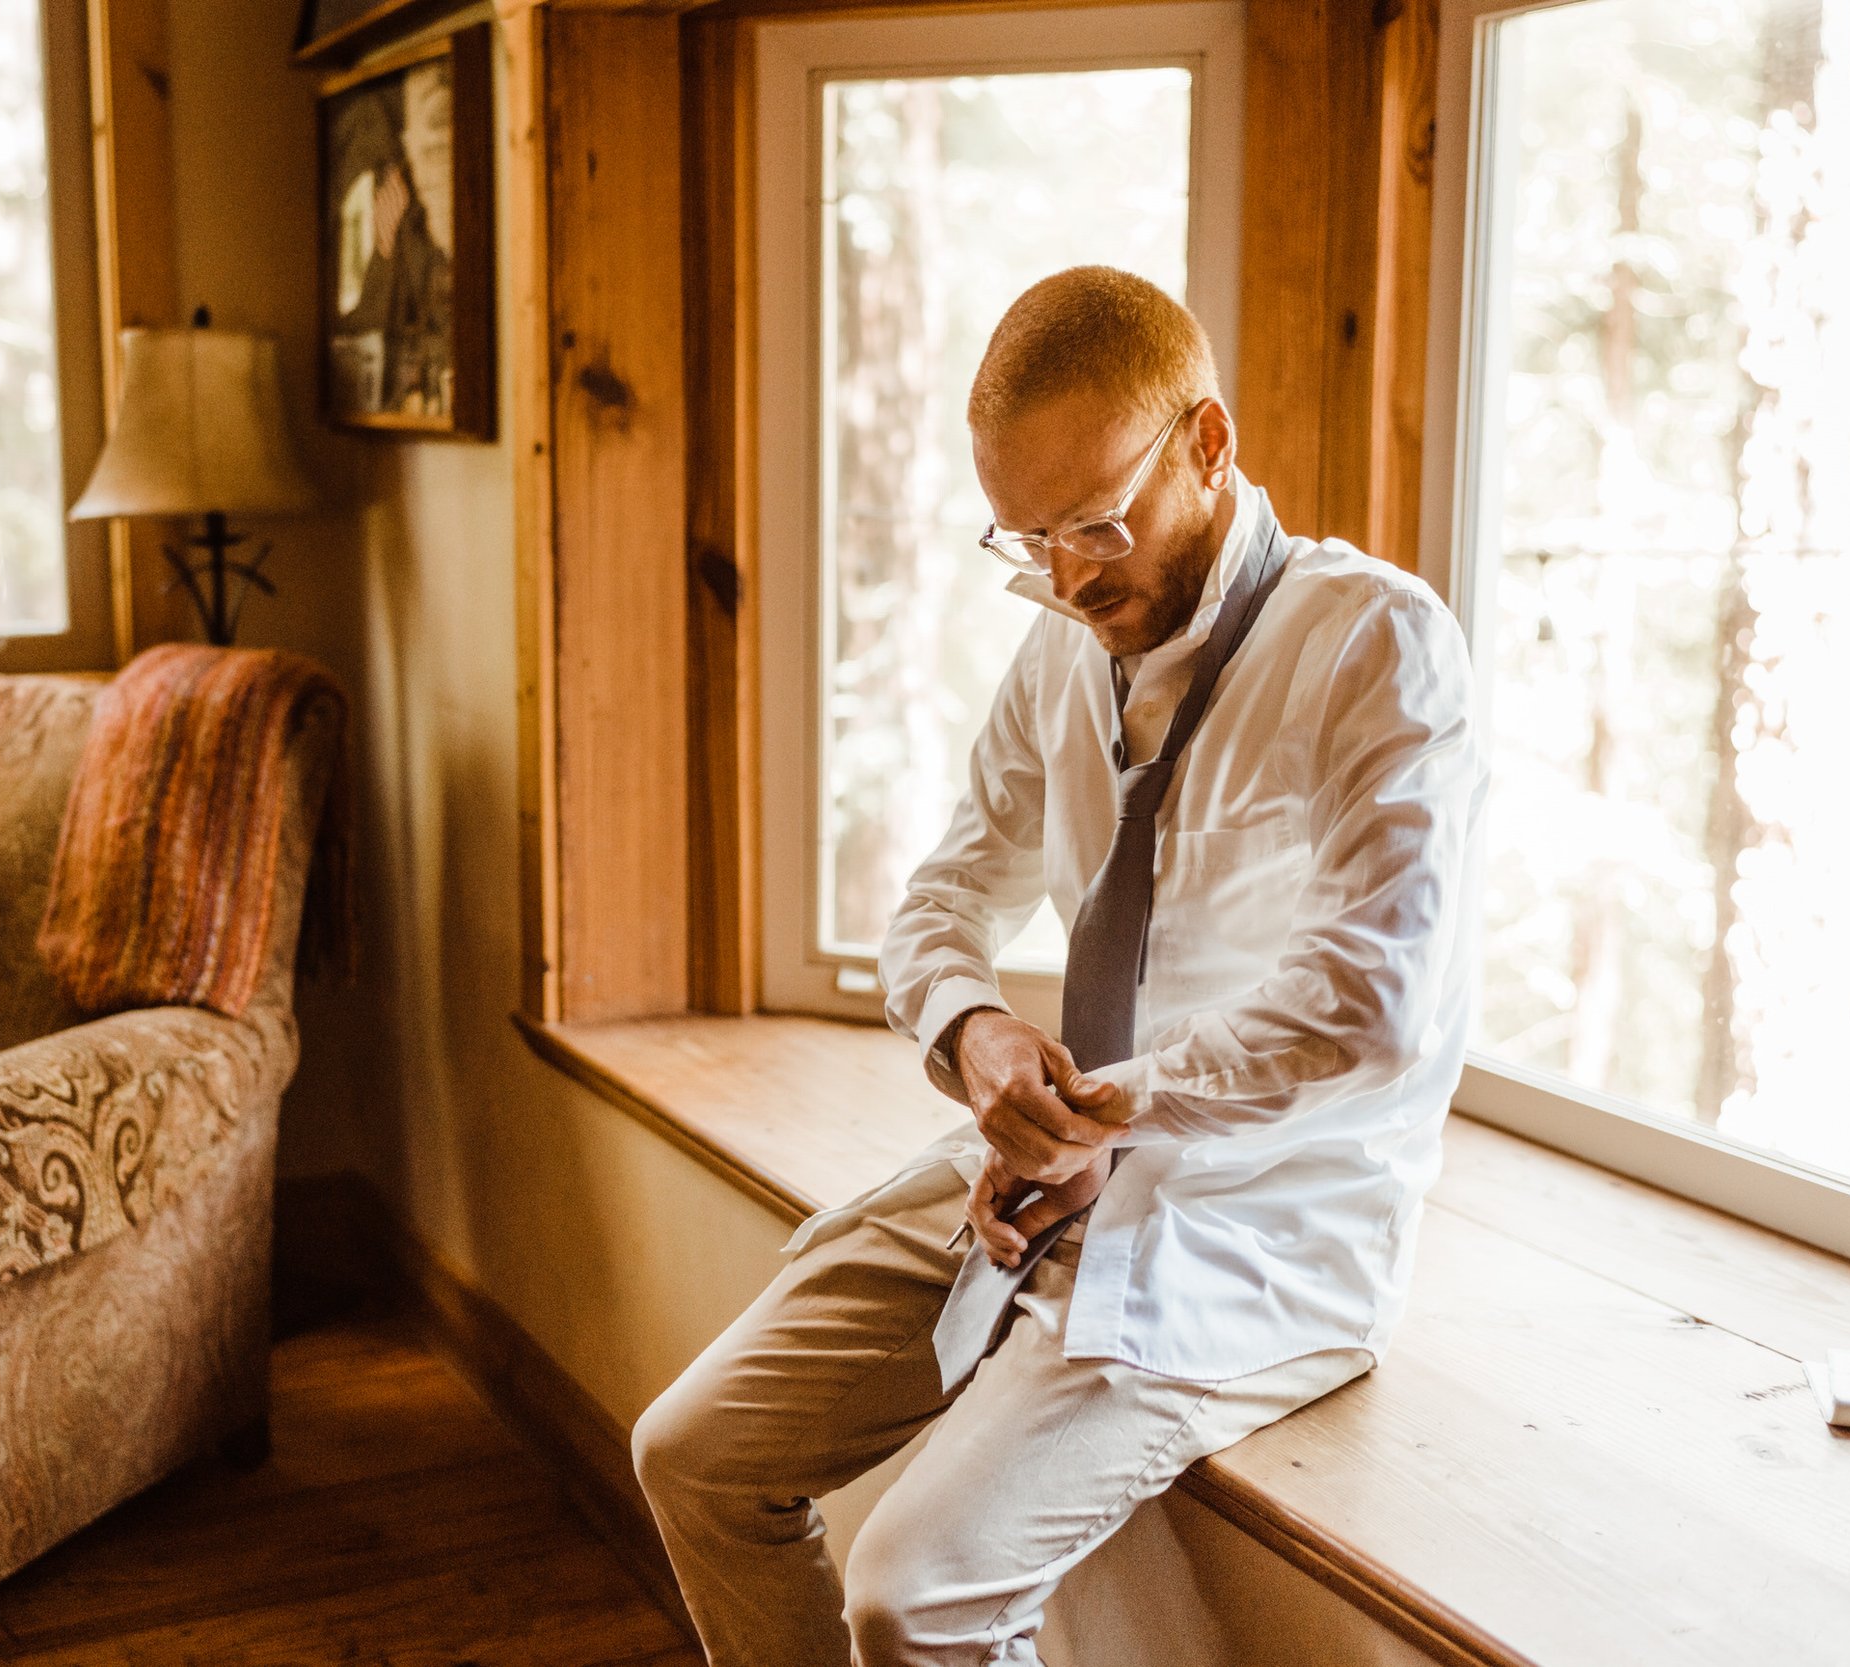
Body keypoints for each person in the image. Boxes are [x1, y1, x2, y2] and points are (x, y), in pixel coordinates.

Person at [630, 266, 1486, 1666]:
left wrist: (1110, 1112)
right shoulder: (1059, 648)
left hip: (1256, 1222)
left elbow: (1370, 1006)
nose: (1072, 574)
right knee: (692, 1457)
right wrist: (976, 1038)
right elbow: (948, 892)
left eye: (1097, 521)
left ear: (1208, 444)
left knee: (911, 1592)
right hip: (1048, 1171)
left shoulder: (1376, 645)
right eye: (1030, 539)